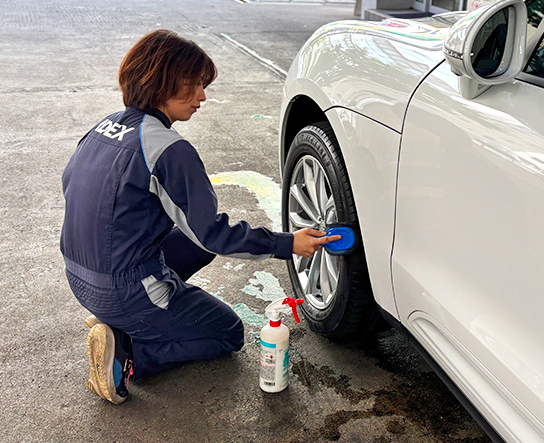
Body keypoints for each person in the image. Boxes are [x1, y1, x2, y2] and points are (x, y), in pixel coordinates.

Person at [61, 30, 339, 404]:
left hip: (80, 276)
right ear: (160, 83)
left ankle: (123, 318)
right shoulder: (169, 150)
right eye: (192, 85)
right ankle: (126, 353)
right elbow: (214, 234)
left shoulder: (103, 127)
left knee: (195, 243)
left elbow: (75, 190)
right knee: (226, 332)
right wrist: (288, 244)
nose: (202, 96)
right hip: (124, 289)